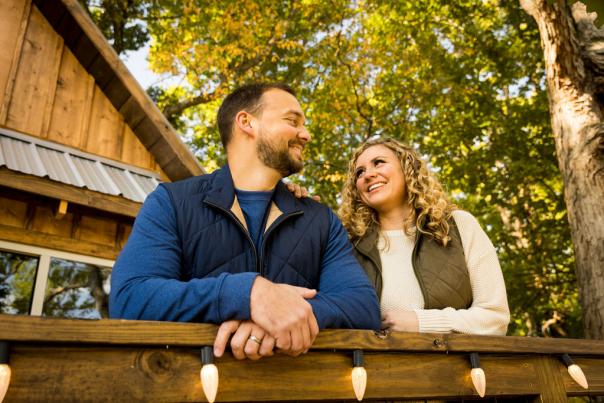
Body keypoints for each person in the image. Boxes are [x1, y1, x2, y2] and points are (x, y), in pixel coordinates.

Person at [109, 83, 381, 360]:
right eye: (292, 121)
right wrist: (248, 294)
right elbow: (130, 297)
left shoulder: (320, 219)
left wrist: (287, 313)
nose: (306, 134)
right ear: (246, 122)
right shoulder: (172, 202)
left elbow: (363, 307)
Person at [338, 137, 509, 335]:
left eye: (379, 162)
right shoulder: (347, 244)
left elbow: (495, 319)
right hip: (370, 365)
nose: (368, 175)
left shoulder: (458, 225)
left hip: (457, 365)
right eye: (360, 172)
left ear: (407, 168)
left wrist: (422, 322)